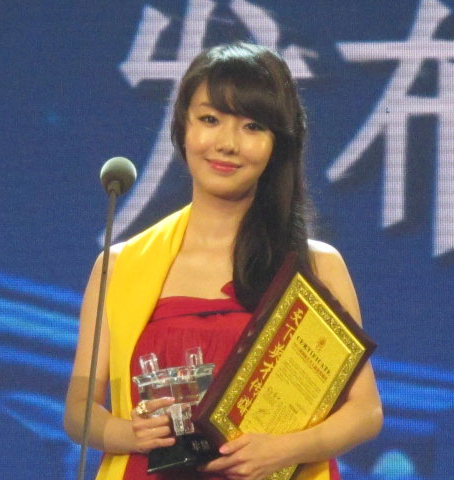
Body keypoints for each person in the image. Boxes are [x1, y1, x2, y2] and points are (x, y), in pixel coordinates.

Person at [64, 42, 383, 480]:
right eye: (210, 120)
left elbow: (365, 411)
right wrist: (131, 433)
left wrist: (284, 450)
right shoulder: (122, 265)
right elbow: (79, 410)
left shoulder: (315, 265)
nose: (227, 144)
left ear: (277, 144)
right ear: (182, 126)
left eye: (252, 126)